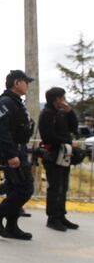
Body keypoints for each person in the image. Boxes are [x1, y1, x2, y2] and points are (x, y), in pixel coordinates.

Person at [0, 70, 35, 240]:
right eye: (26, 82)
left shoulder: (16, 102)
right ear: (16, 83)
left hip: (17, 149)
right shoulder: (5, 102)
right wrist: (12, 155)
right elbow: (2, 131)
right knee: (25, 189)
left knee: (15, 189)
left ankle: (12, 226)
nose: (28, 85)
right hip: (11, 152)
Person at [38, 87, 79, 231]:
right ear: (56, 99)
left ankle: (61, 216)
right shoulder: (47, 114)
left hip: (65, 156)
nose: (64, 100)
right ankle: (52, 218)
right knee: (55, 187)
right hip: (53, 156)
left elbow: (74, 128)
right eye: (62, 97)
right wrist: (67, 142)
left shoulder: (61, 113)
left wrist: (70, 112)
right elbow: (48, 136)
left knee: (63, 187)